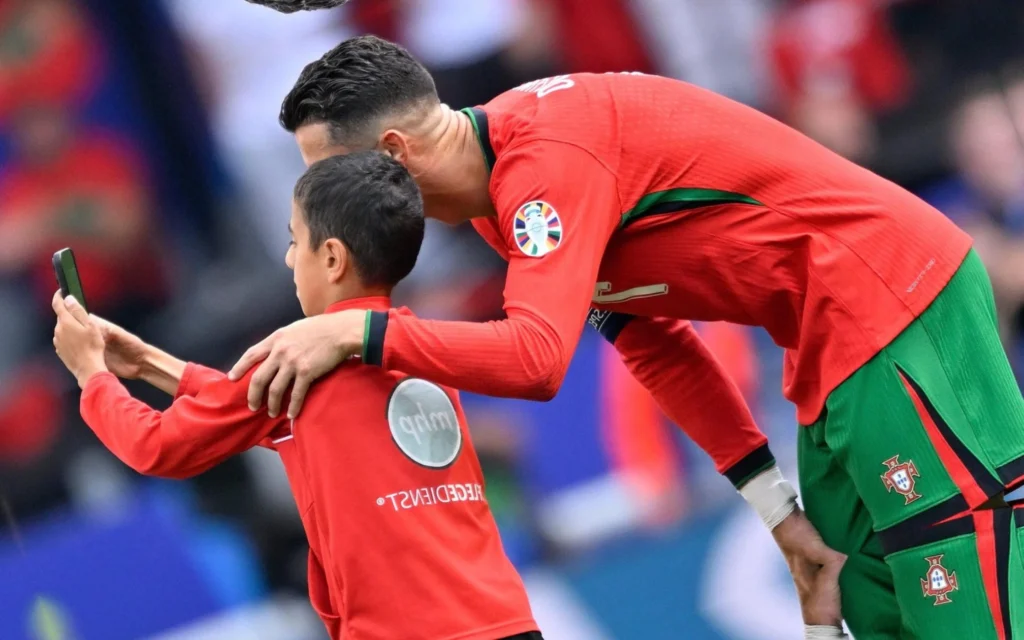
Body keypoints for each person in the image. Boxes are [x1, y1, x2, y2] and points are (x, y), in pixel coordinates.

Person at [228, 34, 1024, 639]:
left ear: (394, 154)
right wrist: (775, 509)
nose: (320, 203)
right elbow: (655, 341)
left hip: (893, 299)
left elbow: (538, 359)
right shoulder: (505, 205)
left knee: (949, 554)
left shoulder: (543, 167)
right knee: (862, 583)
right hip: (825, 340)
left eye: (323, 177)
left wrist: (362, 335)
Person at [51, 151, 542, 640]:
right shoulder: (423, 346)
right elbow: (283, 418)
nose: (288, 258)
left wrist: (90, 373)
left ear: (331, 258)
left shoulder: (302, 356)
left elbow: (155, 446)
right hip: (508, 621)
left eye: (294, 241)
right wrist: (148, 364)